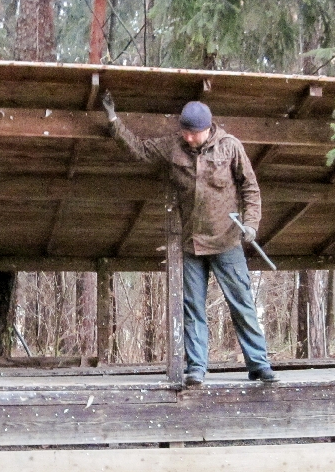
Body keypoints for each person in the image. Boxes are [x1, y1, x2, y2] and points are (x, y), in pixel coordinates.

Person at [101, 91, 276, 386]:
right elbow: (140, 150)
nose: (188, 137)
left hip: (227, 241)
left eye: (194, 133)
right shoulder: (173, 146)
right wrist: (113, 120)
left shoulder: (230, 147)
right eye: (185, 131)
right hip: (192, 243)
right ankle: (196, 368)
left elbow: (250, 187)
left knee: (242, 304)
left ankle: (259, 364)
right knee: (192, 308)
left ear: (208, 128)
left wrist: (251, 224)